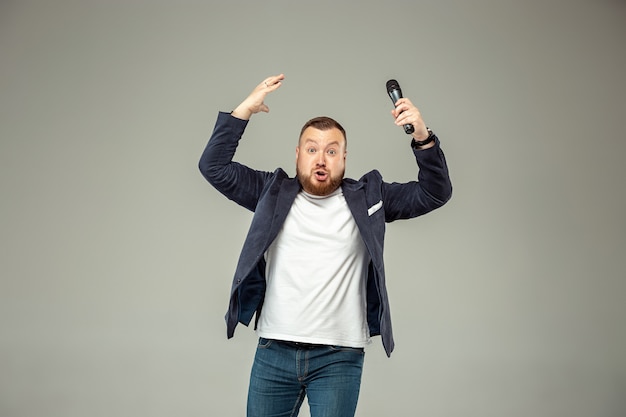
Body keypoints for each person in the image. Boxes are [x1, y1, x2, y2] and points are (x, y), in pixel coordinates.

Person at [198, 73, 452, 417]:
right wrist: (244, 110)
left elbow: (434, 192)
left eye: (331, 151)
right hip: (274, 350)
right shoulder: (270, 193)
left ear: (344, 157)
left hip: (339, 357)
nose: (321, 159)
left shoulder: (370, 198)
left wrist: (422, 137)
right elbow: (213, 166)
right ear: (298, 154)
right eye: (312, 149)